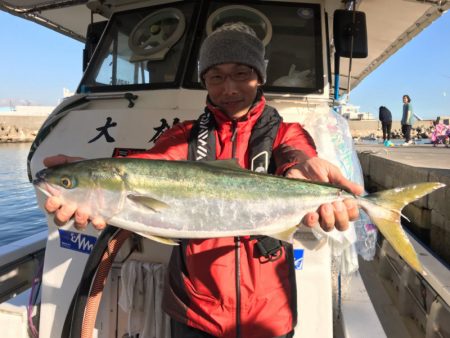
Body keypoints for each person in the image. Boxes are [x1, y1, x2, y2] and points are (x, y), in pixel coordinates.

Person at [43, 22, 363, 338]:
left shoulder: (284, 133)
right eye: (216, 77)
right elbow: (147, 167)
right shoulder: (185, 135)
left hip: (269, 312)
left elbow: (297, 154)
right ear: (205, 81)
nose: (230, 88)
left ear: (259, 76)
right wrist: (85, 176)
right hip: (194, 311)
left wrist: (304, 167)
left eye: (241, 74)